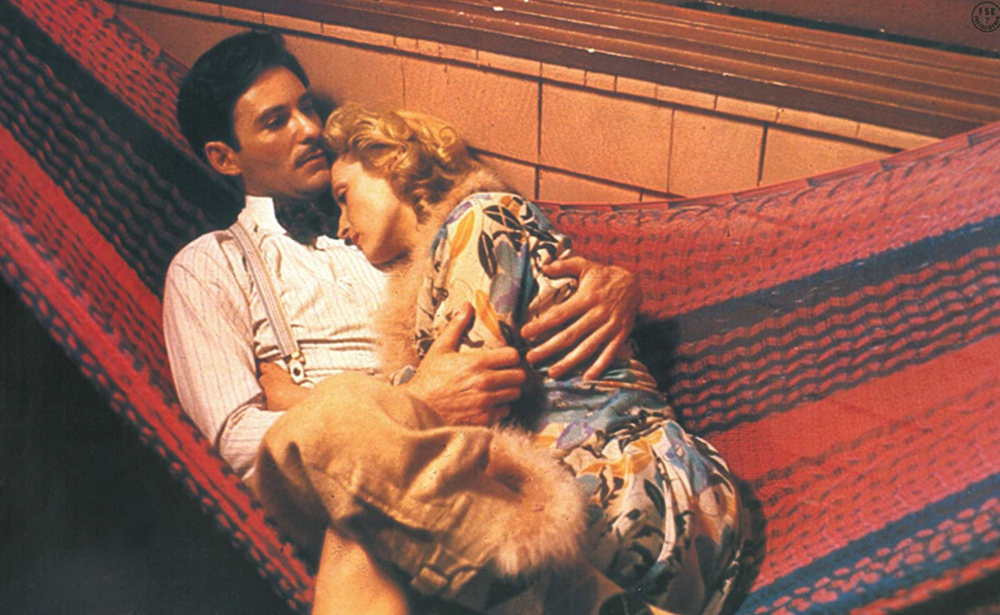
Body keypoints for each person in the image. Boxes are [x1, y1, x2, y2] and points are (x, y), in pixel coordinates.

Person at [162, 31, 644, 614]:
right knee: (342, 437)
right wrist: (414, 401)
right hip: (340, 471)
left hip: (458, 457)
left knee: (360, 525)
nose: (309, 129)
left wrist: (617, 282)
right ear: (224, 157)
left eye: (307, 107)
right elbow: (235, 438)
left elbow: (499, 247)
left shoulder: (387, 217)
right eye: (275, 121)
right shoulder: (208, 266)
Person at [275, 103, 747, 615]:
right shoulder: (434, 269)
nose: (342, 226)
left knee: (368, 523)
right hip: (597, 500)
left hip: (640, 483)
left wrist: (324, 407)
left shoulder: (479, 217)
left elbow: (466, 403)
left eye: (343, 197)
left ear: (389, 161)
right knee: (375, 523)